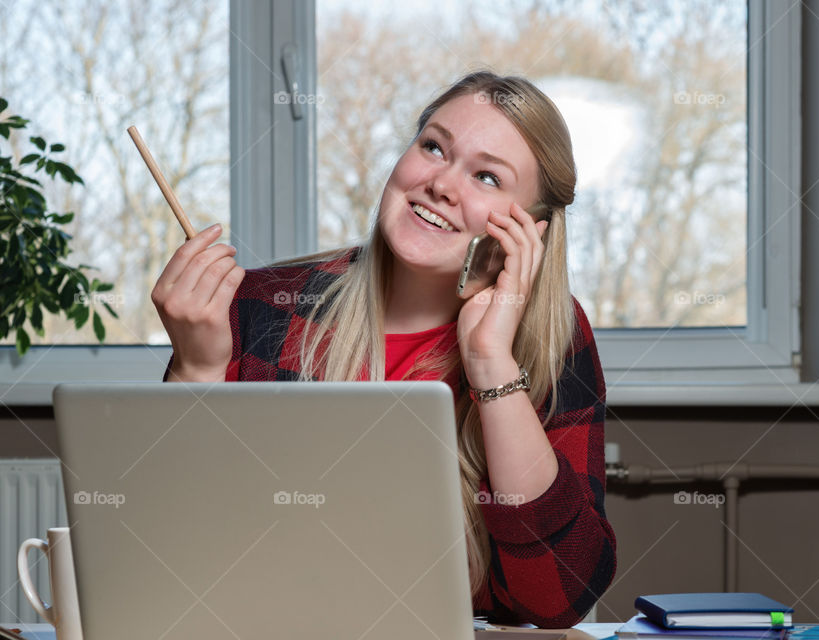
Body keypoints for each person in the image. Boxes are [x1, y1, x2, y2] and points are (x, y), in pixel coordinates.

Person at [152, 70, 616, 628]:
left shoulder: (555, 337)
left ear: (531, 232)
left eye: (488, 177)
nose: (442, 183)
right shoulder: (261, 305)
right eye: (433, 146)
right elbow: (172, 553)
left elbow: (558, 598)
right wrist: (197, 368)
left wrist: (492, 363)